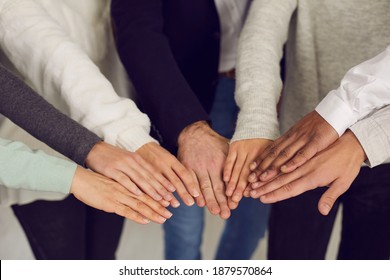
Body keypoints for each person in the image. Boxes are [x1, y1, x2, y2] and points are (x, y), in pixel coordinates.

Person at [0, 0, 196, 259]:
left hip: (115, 148)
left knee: (103, 258)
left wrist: (127, 137)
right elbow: (50, 53)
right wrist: (121, 137)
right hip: (40, 147)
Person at [228, 0, 390, 259]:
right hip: (296, 151)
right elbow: (262, 29)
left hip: (384, 154)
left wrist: (369, 139)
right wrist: (257, 122)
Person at [111, 0, 269, 260]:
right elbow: (136, 31)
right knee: (184, 228)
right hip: (182, 95)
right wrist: (188, 128)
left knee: (252, 222)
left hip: (260, 91)